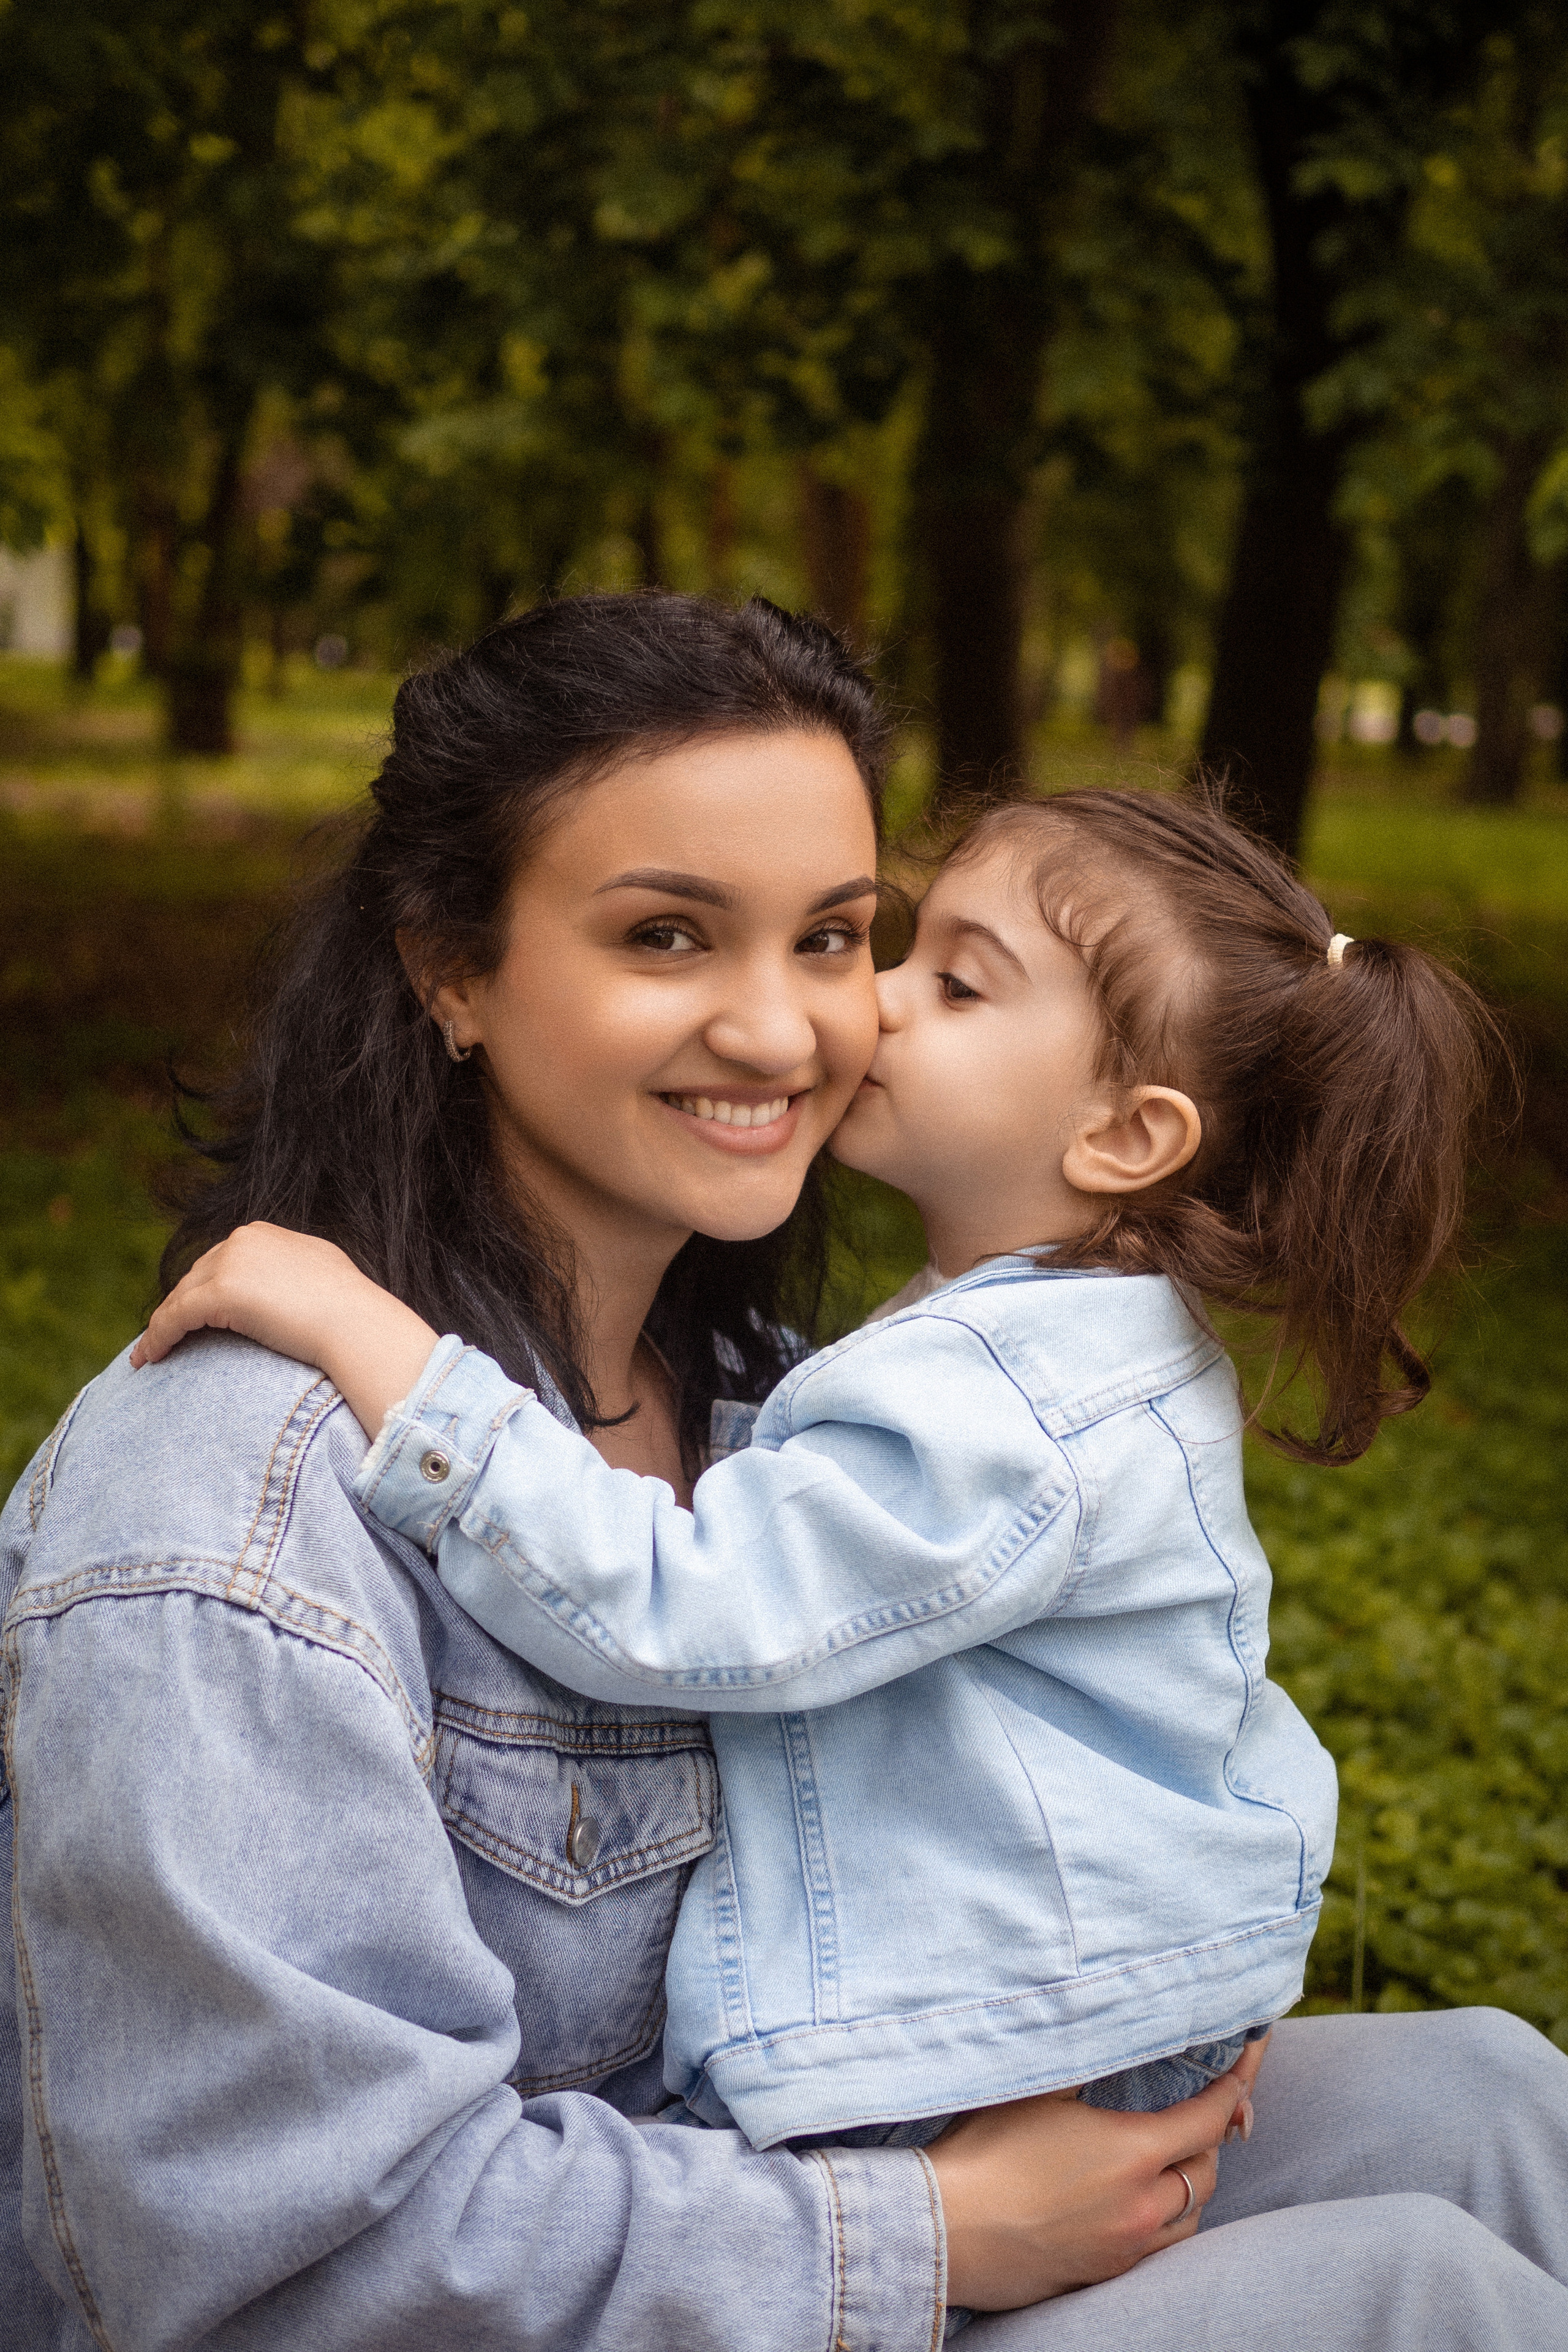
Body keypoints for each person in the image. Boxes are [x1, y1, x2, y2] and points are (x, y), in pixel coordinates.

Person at [2, 595, 1566, 2352]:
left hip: (781, 2138)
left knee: (1492, 2102)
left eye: (835, 938)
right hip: (612, 2271)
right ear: (449, 965)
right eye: (669, 937)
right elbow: (275, 2275)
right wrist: (924, 2232)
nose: (793, 1028)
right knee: (1420, 2302)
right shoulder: (228, 1518)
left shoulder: (757, 1385)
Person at [140, 783, 1500, 2166]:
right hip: (1090, 2002)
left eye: (958, 985)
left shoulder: (1009, 1406)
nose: (872, 1008)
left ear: (1125, 1140)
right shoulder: (1060, 1345)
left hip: (995, 2047)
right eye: (896, 948)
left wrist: (381, 1347)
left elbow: (683, 1608)